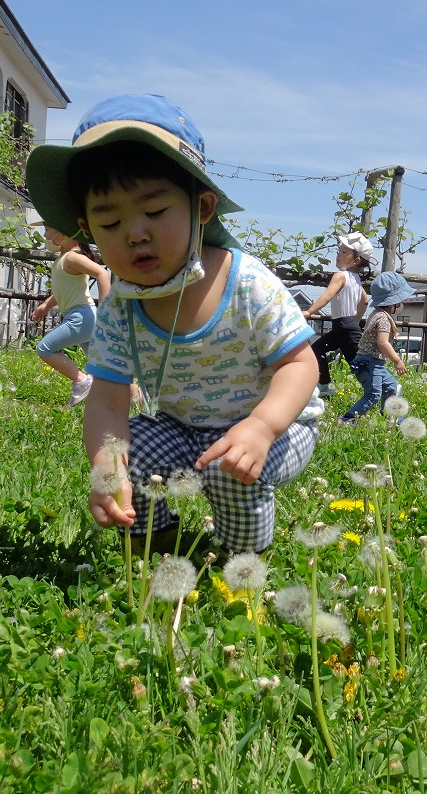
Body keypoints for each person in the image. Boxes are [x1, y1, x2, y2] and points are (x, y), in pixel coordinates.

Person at [26, 93, 322, 555]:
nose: (135, 233)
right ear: (86, 229)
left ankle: (241, 563)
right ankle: (153, 546)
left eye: (155, 211)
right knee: (130, 452)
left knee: (230, 471)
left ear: (201, 208)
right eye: (110, 222)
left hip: (279, 425)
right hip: (181, 428)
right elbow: (106, 401)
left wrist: (263, 426)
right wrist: (106, 464)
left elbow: (300, 365)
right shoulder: (120, 306)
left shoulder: (247, 283)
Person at [31, 225, 111, 407]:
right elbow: (62, 290)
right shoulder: (63, 259)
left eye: (47, 229)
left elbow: (102, 274)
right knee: (103, 365)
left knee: (44, 349)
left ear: (64, 233)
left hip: (81, 317)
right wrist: (45, 305)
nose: (45, 235)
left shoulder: (72, 257)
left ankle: (82, 380)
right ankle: (135, 395)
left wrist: (105, 308)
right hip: (82, 316)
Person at [302, 232, 372, 397]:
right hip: (344, 326)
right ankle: (324, 385)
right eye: (339, 251)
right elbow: (364, 301)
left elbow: (327, 296)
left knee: (358, 364)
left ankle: (387, 387)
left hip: (343, 326)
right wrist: (354, 321)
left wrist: (309, 311)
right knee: (316, 350)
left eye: (344, 252)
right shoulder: (356, 279)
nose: (339, 255)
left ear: (356, 260)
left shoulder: (340, 276)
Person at [339, 271, 410, 424]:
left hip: (373, 362)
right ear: (392, 302)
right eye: (400, 300)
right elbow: (382, 343)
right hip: (370, 362)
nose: (402, 304)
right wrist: (397, 361)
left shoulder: (376, 313)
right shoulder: (383, 319)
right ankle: (346, 420)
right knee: (373, 394)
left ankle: (392, 417)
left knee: (390, 385)